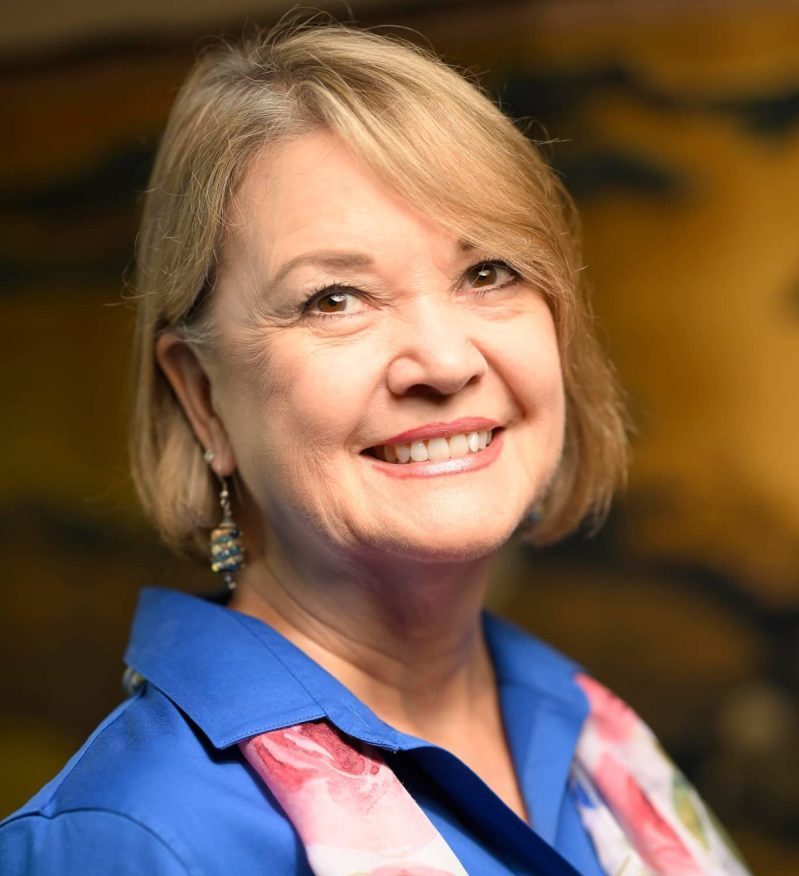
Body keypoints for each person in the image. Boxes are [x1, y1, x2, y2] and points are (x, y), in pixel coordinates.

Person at [0, 21, 751, 876]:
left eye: (488, 271)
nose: (442, 361)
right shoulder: (129, 840)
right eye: (333, 298)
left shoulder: (593, 732)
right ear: (201, 397)